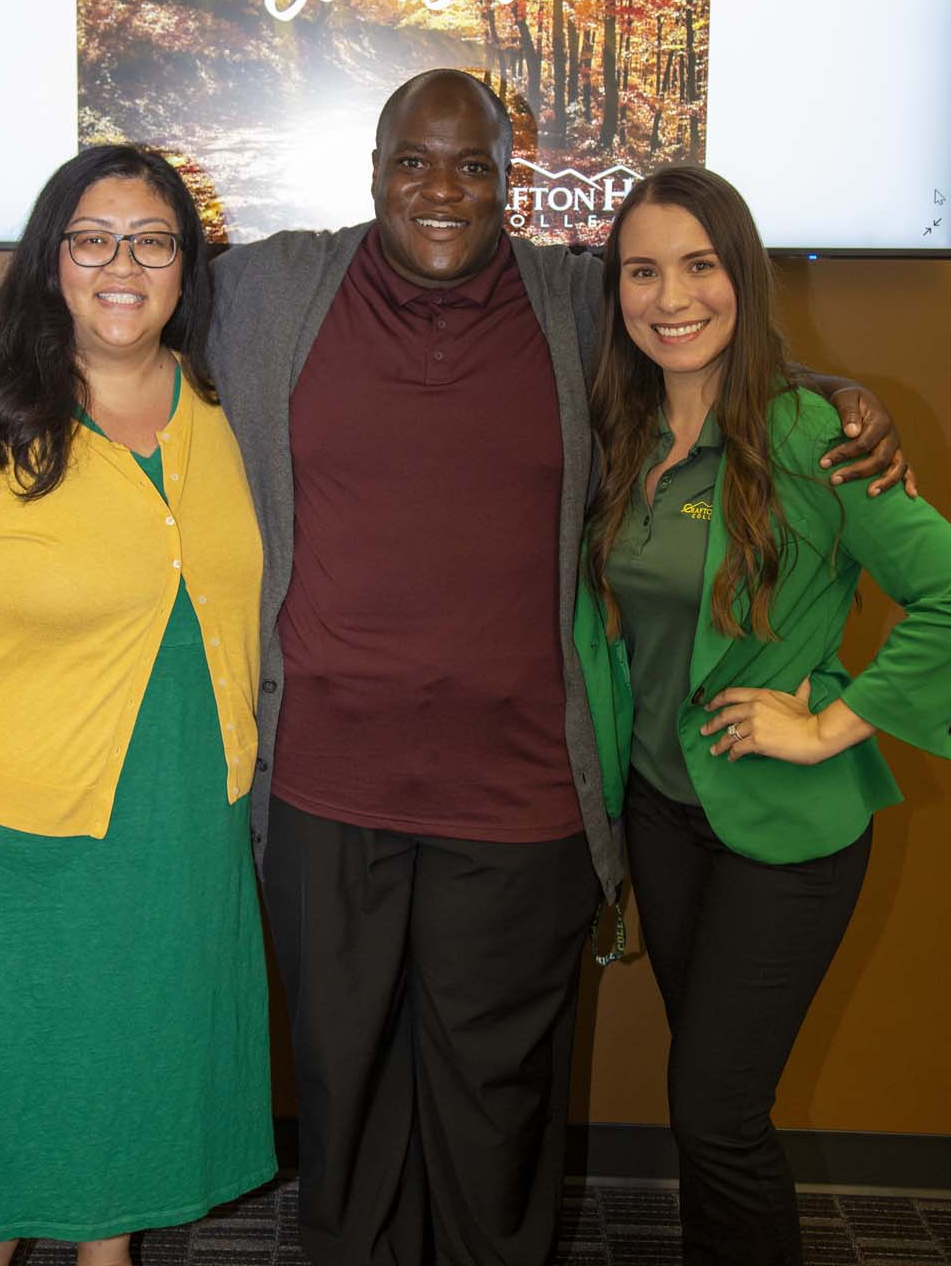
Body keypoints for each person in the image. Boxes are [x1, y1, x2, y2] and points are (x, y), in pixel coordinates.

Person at [207, 69, 908, 1266]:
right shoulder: (273, 290)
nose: (442, 190)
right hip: (327, 790)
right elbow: (112, 300)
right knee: (346, 1102)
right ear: (372, 169)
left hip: (521, 800)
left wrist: (833, 395)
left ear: (511, 181)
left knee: (500, 1114)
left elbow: (693, 343)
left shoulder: (571, 301)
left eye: (473, 165)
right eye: (413, 162)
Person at [0, 144, 275, 1265]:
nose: (121, 265)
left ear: (187, 266)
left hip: (178, 827)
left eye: (152, 241)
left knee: (130, 1082)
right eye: (92, 239)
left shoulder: (216, 410)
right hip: (3, 838)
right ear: (51, 258)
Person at [575, 164, 951, 1266]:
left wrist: (832, 724)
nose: (670, 295)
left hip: (788, 828)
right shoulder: (624, 430)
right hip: (665, 814)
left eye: (699, 265)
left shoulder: (811, 435)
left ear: (741, 274)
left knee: (716, 1115)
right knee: (713, 1106)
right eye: (642, 271)